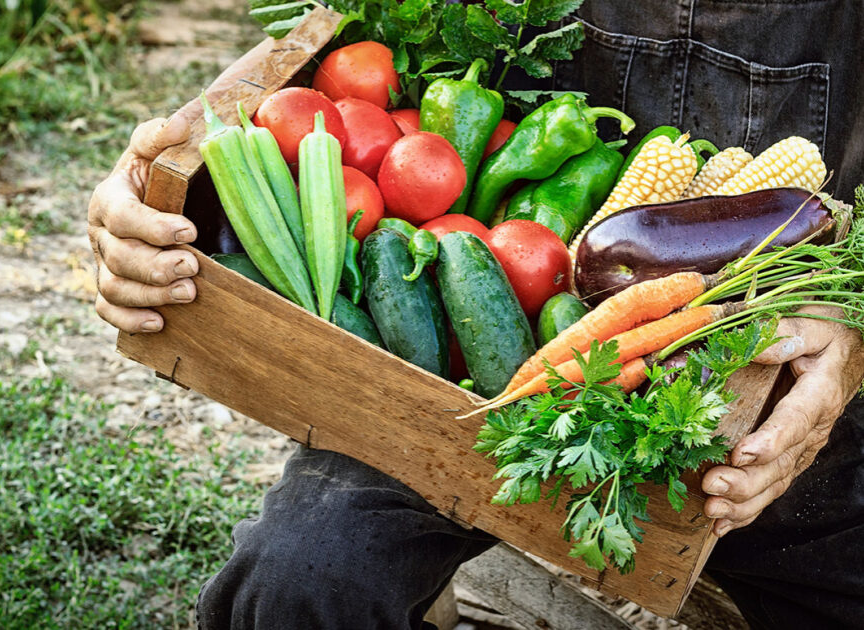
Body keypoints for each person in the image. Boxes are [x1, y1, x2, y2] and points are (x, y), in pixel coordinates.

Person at [88, 2, 864, 628]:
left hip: (787, 407)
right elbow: (324, 48)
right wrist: (169, 161)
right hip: (479, 376)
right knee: (300, 586)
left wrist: (852, 339)